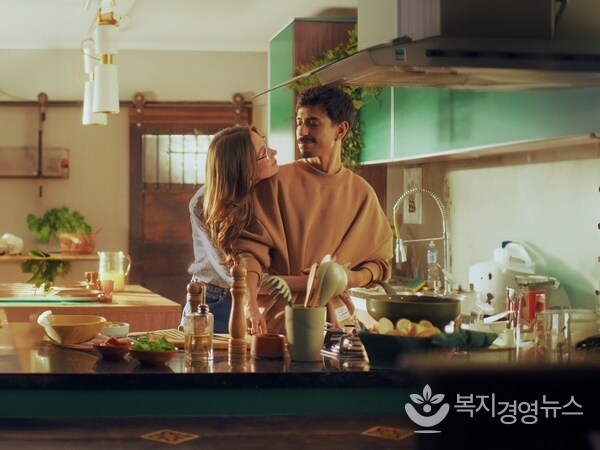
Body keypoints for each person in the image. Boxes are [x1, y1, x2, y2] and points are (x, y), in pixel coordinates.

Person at [235, 85, 393, 335]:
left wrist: (348, 278)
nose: (302, 131)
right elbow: (248, 254)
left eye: (312, 123)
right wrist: (248, 303)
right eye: (299, 122)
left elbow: (379, 264)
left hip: (337, 328)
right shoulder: (274, 184)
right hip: (275, 327)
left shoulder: (362, 193)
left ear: (340, 130)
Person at [179, 125, 280, 332]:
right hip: (214, 302)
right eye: (264, 154)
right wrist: (306, 283)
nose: (274, 153)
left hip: (258, 299)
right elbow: (235, 275)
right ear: (244, 169)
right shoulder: (204, 204)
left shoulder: (268, 190)